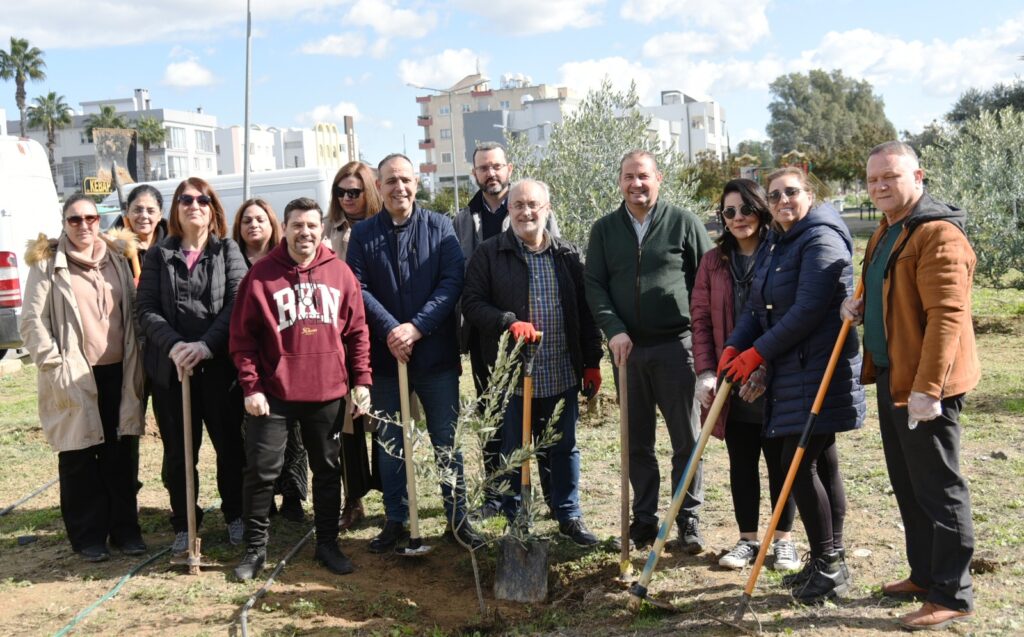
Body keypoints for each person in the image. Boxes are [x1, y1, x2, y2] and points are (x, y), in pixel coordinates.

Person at [842, 141, 979, 630]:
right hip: (892, 375)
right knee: (909, 483)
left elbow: (947, 317)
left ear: (917, 176)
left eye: (890, 177)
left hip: (924, 387)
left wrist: (930, 390)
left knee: (940, 487)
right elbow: (886, 290)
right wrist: (859, 308)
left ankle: (953, 593)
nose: (879, 186)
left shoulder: (937, 233)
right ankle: (924, 574)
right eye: (872, 179)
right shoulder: (888, 230)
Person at [718, 167, 865, 603]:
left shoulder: (821, 238)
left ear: (810, 194)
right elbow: (756, 308)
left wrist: (756, 354)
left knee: (797, 465)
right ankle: (830, 562)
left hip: (818, 370)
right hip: (795, 371)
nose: (783, 200)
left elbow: (806, 311)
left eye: (792, 192)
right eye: (776, 194)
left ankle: (827, 564)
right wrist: (734, 345)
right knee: (821, 462)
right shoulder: (779, 242)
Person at [346, 153, 483, 551]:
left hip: (435, 356)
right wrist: (392, 329)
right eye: (390, 181)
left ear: (416, 183)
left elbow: (451, 280)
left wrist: (417, 327)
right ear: (379, 186)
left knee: (446, 439)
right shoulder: (364, 235)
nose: (398, 188)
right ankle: (396, 519)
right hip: (387, 359)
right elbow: (358, 288)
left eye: (405, 179)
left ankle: (457, 520)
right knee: (391, 442)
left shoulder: (440, 227)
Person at [230, 197, 372, 580]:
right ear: (286, 228)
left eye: (312, 225)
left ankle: (326, 543)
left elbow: (357, 332)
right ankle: (255, 550)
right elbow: (242, 340)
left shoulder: (340, 274)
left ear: (321, 229)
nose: (305, 232)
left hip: (327, 390)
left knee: (327, 471)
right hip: (273, 393)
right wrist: (251, 387)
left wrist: (361, 381)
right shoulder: (260, 276)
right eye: (297, 225)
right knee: (261, 471)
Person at [584, 149, 713, 551]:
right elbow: (595, 285)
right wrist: (614, 329)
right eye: (628, 177)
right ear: (619, 182)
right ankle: (643, 519)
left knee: (686, 440)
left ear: (659, 178)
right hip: (629, 352)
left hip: (678, 348)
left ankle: (687, 518)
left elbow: (707, 280)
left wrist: (702, 335)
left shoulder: (684, 223)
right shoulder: (605, 230)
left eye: (643, 176)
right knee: (635, 441)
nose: (636, 184)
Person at [462, 179, 603, 546]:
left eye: (534, 205)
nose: (527, 212)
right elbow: (472, 304)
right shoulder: (490, 254)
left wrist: (591, 362)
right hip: (512, 373)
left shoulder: (568, 256)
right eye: (519, 205)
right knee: (513, 448)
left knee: (564, 445)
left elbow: (585, 314)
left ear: (548, 208)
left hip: (560, 369)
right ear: (508, 210)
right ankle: (517, 518)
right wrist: (508, 321)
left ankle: (568, 514)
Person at [20, 194, 146, 561]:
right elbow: (31, 321)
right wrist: (53, 363)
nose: (84, 225)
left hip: (120, 373)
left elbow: (134, 309)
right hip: (74, 374)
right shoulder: (47, 263)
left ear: (100, 219)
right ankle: (88, 536)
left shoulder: (118, 256)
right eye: (75, 219)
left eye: (91, 217)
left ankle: (125, 531)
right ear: (64, 222)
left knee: (121, 454)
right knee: (78, 456)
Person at [691, 179, 800, 572]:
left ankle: (783, 540)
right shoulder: (712, 261)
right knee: (741, 459)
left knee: (779, 461)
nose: (738, 218)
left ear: (761, 209)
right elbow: (701, 320)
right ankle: (748, 540)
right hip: (730, 377)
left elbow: (791, 317)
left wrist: (766, 369)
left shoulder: (781, 253)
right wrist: (706, 371)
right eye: (729, 212)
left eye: (745, 209)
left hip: (776, 376)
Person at [136, 177, 247, 554]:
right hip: (172, 371)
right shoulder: (158, 254)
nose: (194, 205)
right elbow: (146, 309)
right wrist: (178, 347)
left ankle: (236, 515)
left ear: (212, 208)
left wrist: (204, 346)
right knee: (179, 453)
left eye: (202, 199)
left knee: (230, 447)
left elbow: (237, 303)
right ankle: (185, 521)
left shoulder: (227, 250)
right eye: (186, 199)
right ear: (176, 209)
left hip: (218, 369)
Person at [454, 142, 560, 520]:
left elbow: (554, 259)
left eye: (497, 166)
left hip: (533, 335)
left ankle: (550, 497)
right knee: (494, 416)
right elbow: (461, 282)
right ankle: (498, 495)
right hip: (488, 334)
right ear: (474, 174)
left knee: (542, 418)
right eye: (483, 168)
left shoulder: (531, 208)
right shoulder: (465, 219)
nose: (491, 174)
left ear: (509, 169)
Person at [230, 198, 308, 524]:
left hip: (286, 357)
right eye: (247, 220)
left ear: (273, 223)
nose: (253, 225)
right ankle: (265, 501)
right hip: (247, 360)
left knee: (295, 436)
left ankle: (293, 495)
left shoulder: (285, 259)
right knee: (255, 435)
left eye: (260, 219)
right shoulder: (232, 259)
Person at [324, 161, 384, 531]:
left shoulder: (383, 227)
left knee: (386, 417)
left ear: (369, 192)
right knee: (347, 423)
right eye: (340, 192)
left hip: (381, 331)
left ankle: (393, 490)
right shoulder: (327, 232)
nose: (347, 198)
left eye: (354, 192)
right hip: (340, 337)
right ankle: (353, 499)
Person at [115, 185, 168, 267]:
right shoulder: (115, 248)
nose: (144, 216)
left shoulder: (173, 244)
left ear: (160, 214)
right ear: (127, 211)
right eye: (137, 210)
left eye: (150, 211)